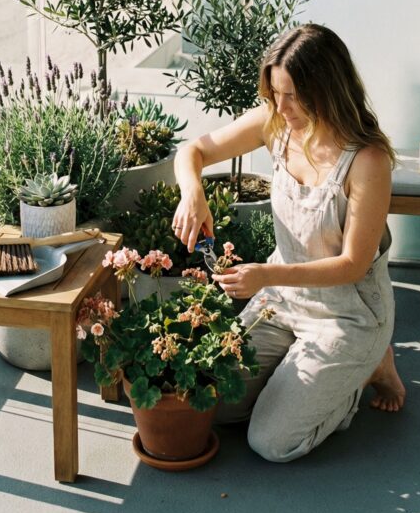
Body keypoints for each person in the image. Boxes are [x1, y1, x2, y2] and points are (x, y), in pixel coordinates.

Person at [172, 23, 406, 463]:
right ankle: (321, 372)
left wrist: (264, 275)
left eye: (293, 95)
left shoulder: (368, 161)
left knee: (272, 442)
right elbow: (192, 152)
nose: (281, 106)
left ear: (329, 89)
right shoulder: (275, 124)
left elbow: (354, 264)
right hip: (284, 301)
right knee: (214, 406)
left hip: (347, 316)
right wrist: (193, 193)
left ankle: (369, 366)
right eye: (275, 93)